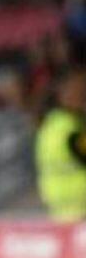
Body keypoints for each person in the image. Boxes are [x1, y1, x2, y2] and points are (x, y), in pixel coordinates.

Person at [35, 67, 86, 221]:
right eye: (82, 91)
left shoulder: (50, 125)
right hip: (79, 211)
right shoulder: (70, 129)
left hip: (60, 211)